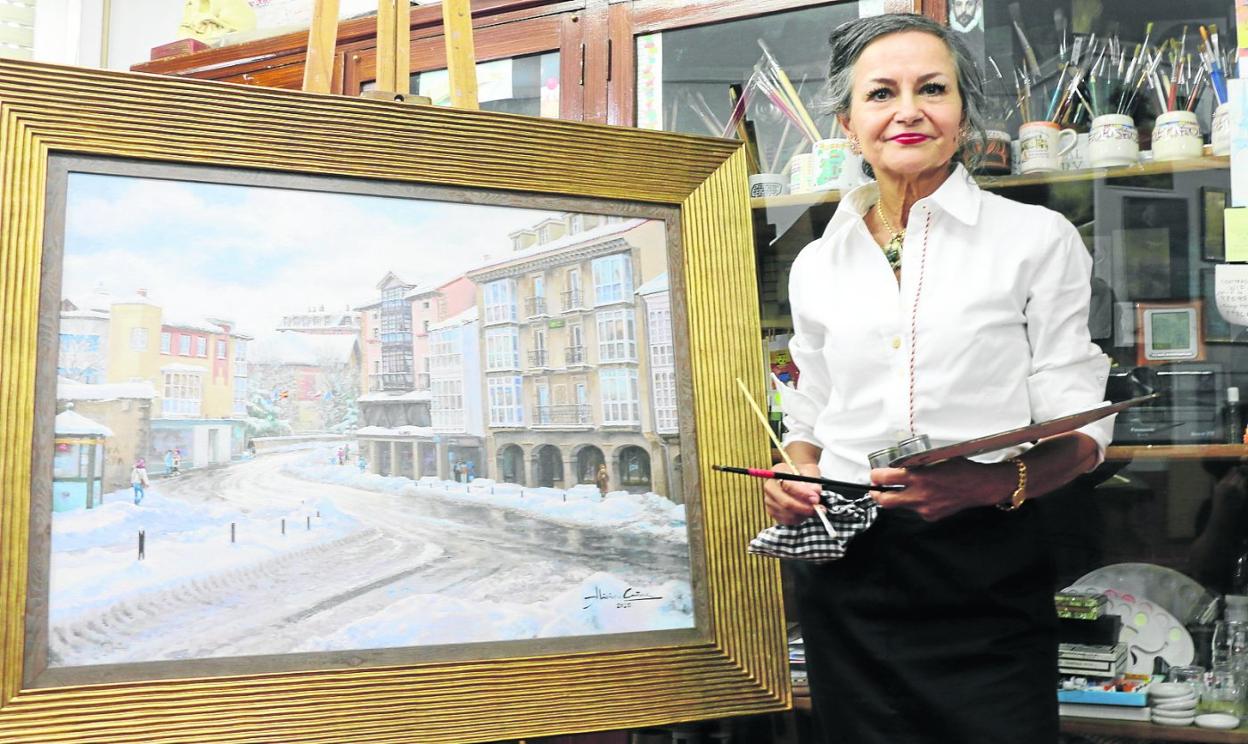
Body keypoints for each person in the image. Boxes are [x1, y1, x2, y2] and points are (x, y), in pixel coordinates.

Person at [761, 14, 1112, 744]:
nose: (908, 110)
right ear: (848, 123)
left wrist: (980, 485)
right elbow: (811, 409)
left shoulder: (1034, 241)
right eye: (881, 93)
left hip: (985, 563)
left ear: (962, 114)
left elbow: (1082, 427)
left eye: (933, 89)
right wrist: (795, 472)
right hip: (849, 573)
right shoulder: (817, 264)